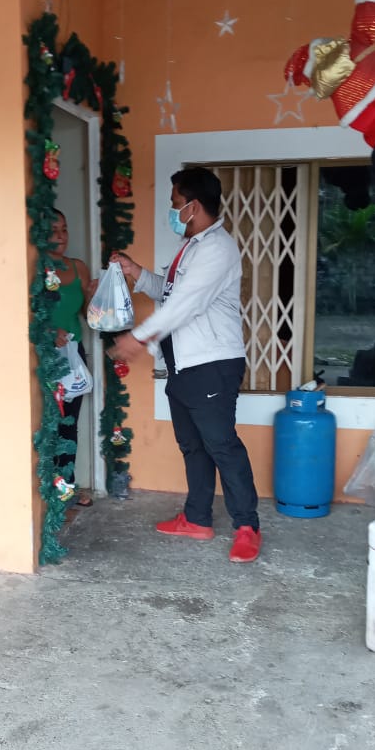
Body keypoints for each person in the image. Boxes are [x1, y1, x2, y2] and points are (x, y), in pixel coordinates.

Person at [110, 167, 262, 563]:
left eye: (175, 203)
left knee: (221, 445)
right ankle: (197, 519)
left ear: (193, 206)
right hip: (184, 365)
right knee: (193, 445)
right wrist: (136, 273)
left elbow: (186, 304)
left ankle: (247, 527)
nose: (172, 210)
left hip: (211, 364)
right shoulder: (192, 247)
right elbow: (171, 292)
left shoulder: (217, 249)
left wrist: (138, 337)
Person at [49, 210, 95, 507]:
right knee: (47, 424)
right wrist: (48, 332)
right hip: (44, 357)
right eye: (53, 230)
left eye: (64, 229)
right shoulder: (35, 269)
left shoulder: (78, 268)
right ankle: (45, 491)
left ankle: (66, 487)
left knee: (69, 424)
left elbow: (89, 316)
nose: (61, 236)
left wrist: (92, 296)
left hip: (73, 355)